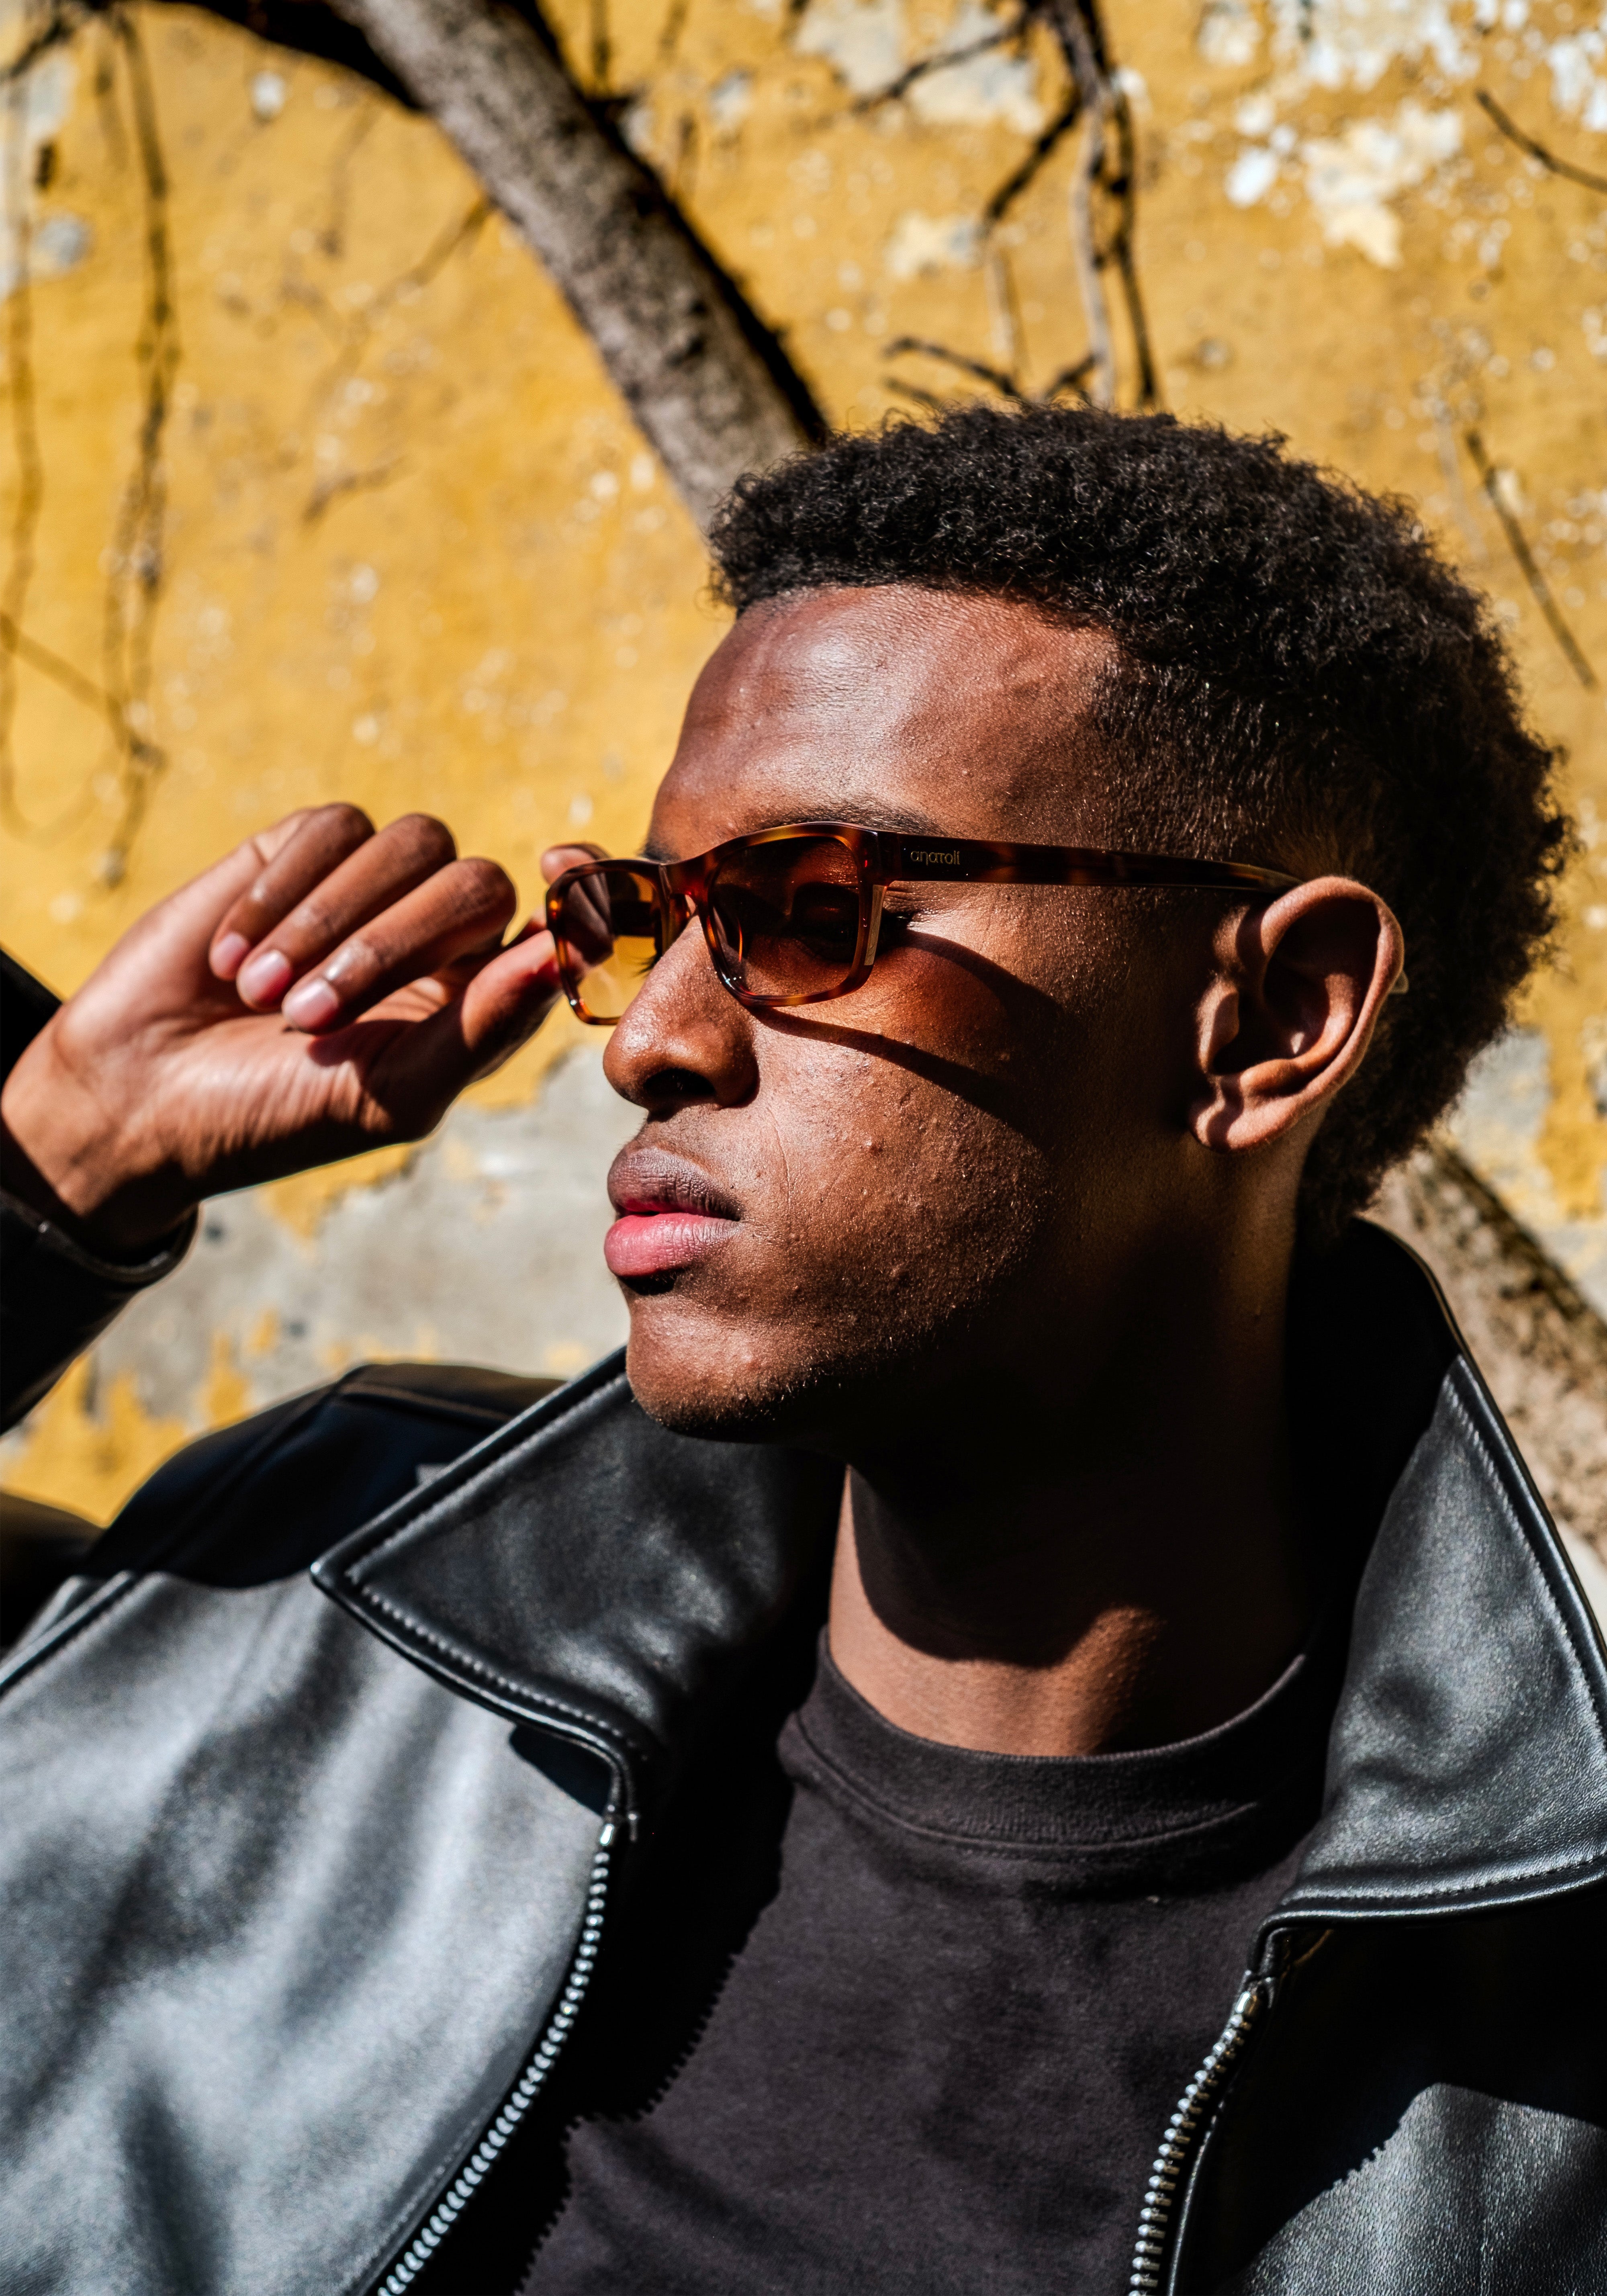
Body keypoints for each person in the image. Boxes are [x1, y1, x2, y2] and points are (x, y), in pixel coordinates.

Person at [2, 407, 1603, 2296]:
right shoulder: (302, 1592)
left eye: (806, 913)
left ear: (1268, 1017)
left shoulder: (1546, 2029)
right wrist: (51, 1178)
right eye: (646, 917)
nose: (649, 1040)